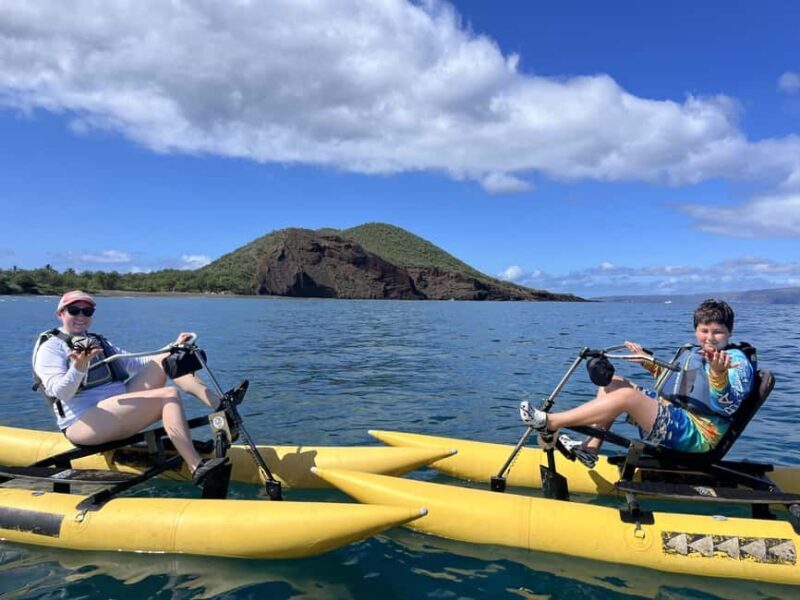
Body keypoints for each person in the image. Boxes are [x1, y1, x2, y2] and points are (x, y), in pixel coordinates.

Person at [33, 290, 227, 485]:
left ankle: (220, 405)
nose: (81, 316)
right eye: (74, 310)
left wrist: (173, 346)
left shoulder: (96, 340)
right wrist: (78, 368)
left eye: (87, 311)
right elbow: (60, 392)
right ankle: (196, 467)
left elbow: (138, 362)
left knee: (169, 359)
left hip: (118, 408)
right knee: (168, 395)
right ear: (60, 314)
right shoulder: (51, 347)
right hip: (84, 424)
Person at [520, 299, 755, 455]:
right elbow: (683, 386)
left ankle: (551, 422)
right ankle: (590, 449)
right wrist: (647, 361)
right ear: (696, 330)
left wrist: (719, 374)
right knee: (614, 383)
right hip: (678, 413)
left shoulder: (735, 362)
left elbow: (729, 406)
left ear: (729, 333)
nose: (710, 338)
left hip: (699, 434)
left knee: (626, 397)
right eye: (704, 331)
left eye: (718, 332)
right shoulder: (697, 354)